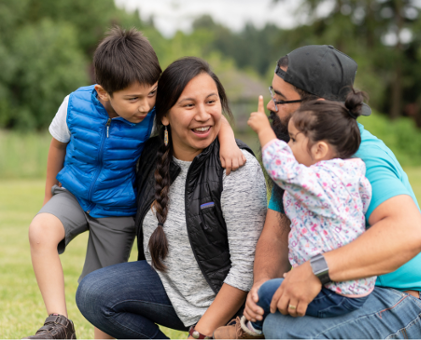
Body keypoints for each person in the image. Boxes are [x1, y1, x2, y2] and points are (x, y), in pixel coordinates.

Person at [26, 28, 246, 340]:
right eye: (133, 99)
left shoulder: (153, 113)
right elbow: (57, 145)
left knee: (99, 289)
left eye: (152, 94)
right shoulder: (74, 105)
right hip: (73, 194)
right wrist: (49, 195)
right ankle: (58, 323)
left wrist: (229, 143)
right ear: (103, 92)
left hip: (116, 209)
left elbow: (206, 112)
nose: (145, 106)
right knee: (40, 230)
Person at [238, 45, 421, 339]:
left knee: (284, 330)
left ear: (316, 106)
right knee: (272, 321)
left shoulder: (362, 155)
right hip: (341, 293)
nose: (271, 106)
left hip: (403, 300)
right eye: (272, 95)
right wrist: (261, 292)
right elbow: (275, 234)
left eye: (280, 99)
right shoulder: (296, 154)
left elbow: (411, 233)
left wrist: (315, 271)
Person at [75, 57, 267, 339]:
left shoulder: (235, 167)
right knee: (93, 292)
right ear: (164, 115)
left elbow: (245, 269)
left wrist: (201, 333)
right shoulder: (149, 154)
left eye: (211, 102)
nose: (202, 114)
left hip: (222, 303)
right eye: (188, 105)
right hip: (167, 289)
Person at [215, 91, 376, 339]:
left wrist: (264, 131)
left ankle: (250, 331)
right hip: (347, 285)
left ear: (320, 150)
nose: (287, 146)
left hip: (335, 291)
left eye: (292, 139)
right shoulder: (348, 173)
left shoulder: (325, 180)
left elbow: (284, 170)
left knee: (264, 294)